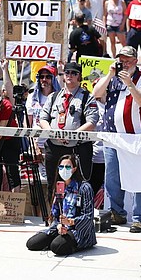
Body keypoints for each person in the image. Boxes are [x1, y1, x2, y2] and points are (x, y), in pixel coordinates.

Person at [92, 45, 141, 233]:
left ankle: (140, 217)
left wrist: (131, 85)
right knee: (112, 178)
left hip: (135, 137)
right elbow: (96, 93)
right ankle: (117, 212)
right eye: (121, 60)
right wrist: (109, 74)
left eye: (127, 61)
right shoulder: (113, 78)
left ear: (135, 61)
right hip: (112, 136)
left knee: (138, 178)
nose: (124, 64)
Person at [38, 62, 99, 199]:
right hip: (54, 147)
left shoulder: (87, 97)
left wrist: (72, 135)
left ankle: (75, 217)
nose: (70, 75)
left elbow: (92, 121)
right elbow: (43, 118)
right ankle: (53, 216)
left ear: (79, 77)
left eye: (74, 73)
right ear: (63, 76)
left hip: (77, 149)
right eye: (67, 73)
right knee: (53, 184)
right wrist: (52, 132)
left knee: (78, 185)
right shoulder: (54, 96)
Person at [26, 154, 96, 256]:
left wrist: (71, 222)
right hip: (61, 226)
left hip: (78, 229)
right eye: (61, 167)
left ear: (74, 169)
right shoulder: (60, 186)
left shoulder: (84, 187)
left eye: (68, 167)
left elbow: (89, 216)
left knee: (56, 247)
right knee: (32, 244)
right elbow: (55, 212)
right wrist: (59, 225)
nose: (64, 170)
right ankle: (59, 239)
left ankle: (77, 244)